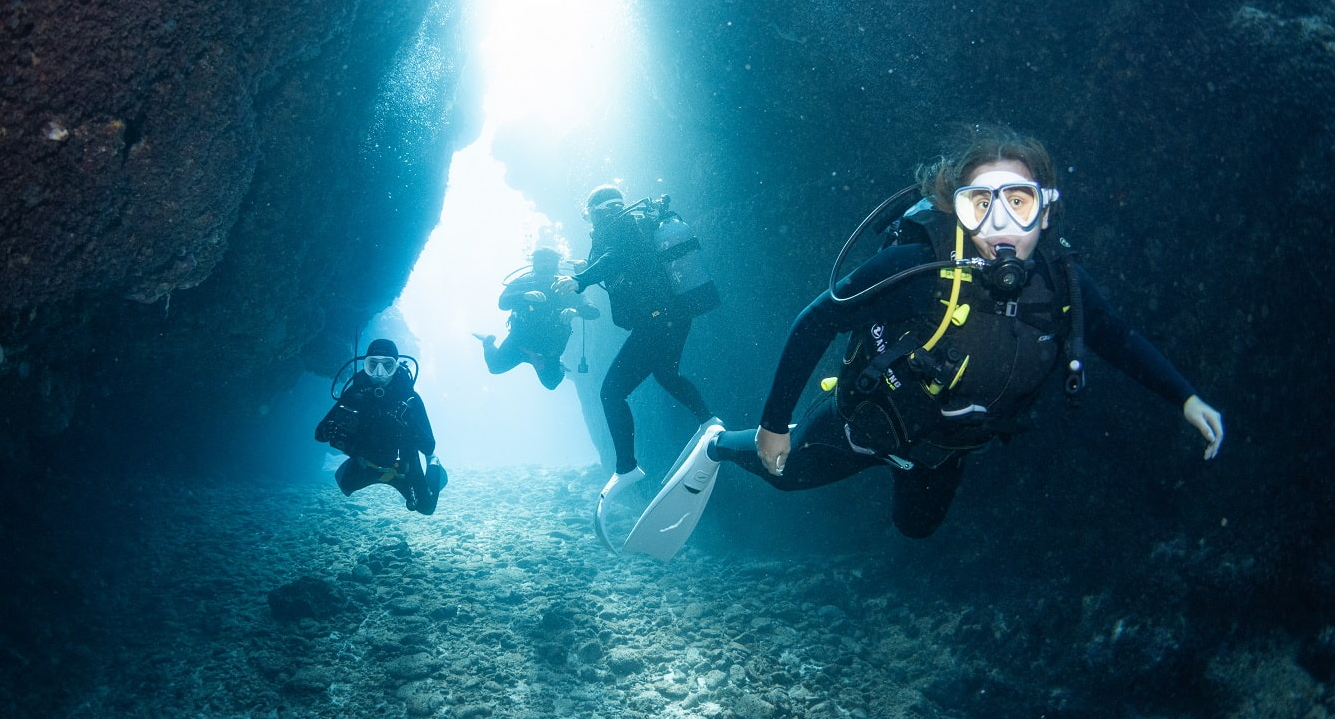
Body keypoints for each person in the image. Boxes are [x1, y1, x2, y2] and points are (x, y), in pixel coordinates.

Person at [624, 130, 1224, 560]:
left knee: (915, 530)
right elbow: (815, 322)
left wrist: (1185, 398)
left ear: (1045, 213)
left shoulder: (1062, 283)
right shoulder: (918, 267)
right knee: (783, 474)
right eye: (979, 203)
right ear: (957, 212)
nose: (1000, 221)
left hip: (944, 448)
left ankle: (893, 468)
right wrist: (774, 424)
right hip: (867, 420)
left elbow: (1118, 338)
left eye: (1019, 200)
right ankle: (719, 444)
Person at [554, 184, 720, 546]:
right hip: (676, 315)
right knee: (665, 373)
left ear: (595, 213)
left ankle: (626, 467)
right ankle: (708, 420)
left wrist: (581, 279)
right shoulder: (635, 226)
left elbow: (615, 257)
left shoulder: (617, 228)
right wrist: (588, 269)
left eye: (589, 217)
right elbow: (622, 262)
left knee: (611, 393)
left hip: (656, 320)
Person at [315, 338, 448, 513]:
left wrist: (412, 427)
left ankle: (434, 464)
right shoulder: (355, 393)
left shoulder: (409, 398)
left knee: (426, 508)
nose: (379, 373)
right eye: (373, 365)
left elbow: (429, 445)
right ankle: (352, 469)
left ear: (396, 367)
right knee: (346, 485)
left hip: (403, 467)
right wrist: (331, 431)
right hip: (366, 463)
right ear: (365, 366)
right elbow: (319, 434)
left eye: (387, 366)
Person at [473, 246, 600, 390]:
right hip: (520, 341)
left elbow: (594, 311)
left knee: (551, 383)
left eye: (549, 261)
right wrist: (523, 296)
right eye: (541, 261)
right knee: (495, 367)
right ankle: (488, 341)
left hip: (549, 347)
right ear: (534, 264)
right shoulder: (523, 282)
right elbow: (503, 303)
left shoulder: (566, 285)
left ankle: (553, 364)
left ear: (556, 264)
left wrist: (576, 311)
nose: (545, 265)